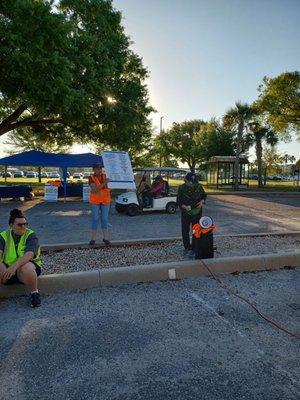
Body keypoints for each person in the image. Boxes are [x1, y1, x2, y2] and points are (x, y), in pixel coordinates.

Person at [0, 209, 42, 307]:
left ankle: (34, 294)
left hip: (25, 271)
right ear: (11, 225)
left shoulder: (31, 235)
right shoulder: (3, 236)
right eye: (19, 225)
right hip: (7, 271)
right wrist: (3, 269)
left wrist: (13, 267)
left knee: (27, 267)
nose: (23, 227)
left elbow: (30, 254)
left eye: (25, 224)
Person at [177, 172, 207, 255]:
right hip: (186, 212)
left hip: (197, 212)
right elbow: (178, 201)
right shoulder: (181, 188)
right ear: (186, 180)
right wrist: (185, 207)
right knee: (185, 230)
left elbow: (204, 195)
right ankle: (187, 246)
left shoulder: (199, 186)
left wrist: (202, 201)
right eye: (190, 182)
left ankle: (195, 246)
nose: (192, 184)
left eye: (194, 182)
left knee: (196, 229)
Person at [89, 163, 111, 245]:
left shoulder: (106, 176)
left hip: (106, 201)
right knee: (95, 219)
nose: (100, 170)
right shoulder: (91, 177)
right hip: (95, 201)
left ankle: (106, 238)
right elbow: (94, 190)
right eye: (98, 169)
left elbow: (111, 186)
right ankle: (93, 239)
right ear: (94, 170)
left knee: (104, 219)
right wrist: (105, 183)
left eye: (100, 168)